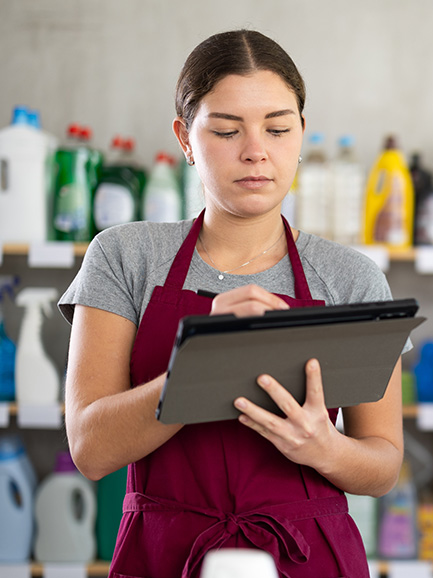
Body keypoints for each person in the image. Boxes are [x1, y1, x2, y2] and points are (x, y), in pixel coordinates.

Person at [58, 30, 405, 578]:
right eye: (225, 129)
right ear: (186, 139)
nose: (256, 151)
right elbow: (91, 448)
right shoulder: (125, 256)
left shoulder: (349, 276)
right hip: (165, 555)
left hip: (308, 557)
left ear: (300, 133)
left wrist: (324, 447)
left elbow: (383, 464)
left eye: (278, 127)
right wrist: (200, 363)